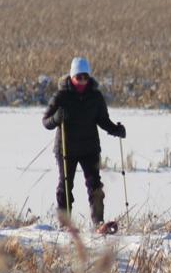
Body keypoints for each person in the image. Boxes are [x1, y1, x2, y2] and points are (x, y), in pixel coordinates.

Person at [42, 56, 126, 231]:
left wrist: (115, 129)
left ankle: (99, 224)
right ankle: (65, 225)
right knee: (65, 185)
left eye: (85, 77)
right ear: (72, 77)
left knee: (95, 185)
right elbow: (46, 122)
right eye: (78, 77)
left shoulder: (95, 96)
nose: (82, 81)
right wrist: (57, 118)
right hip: (66, 148)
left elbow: (103, 120)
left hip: (89, 148)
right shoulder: (61, 96)